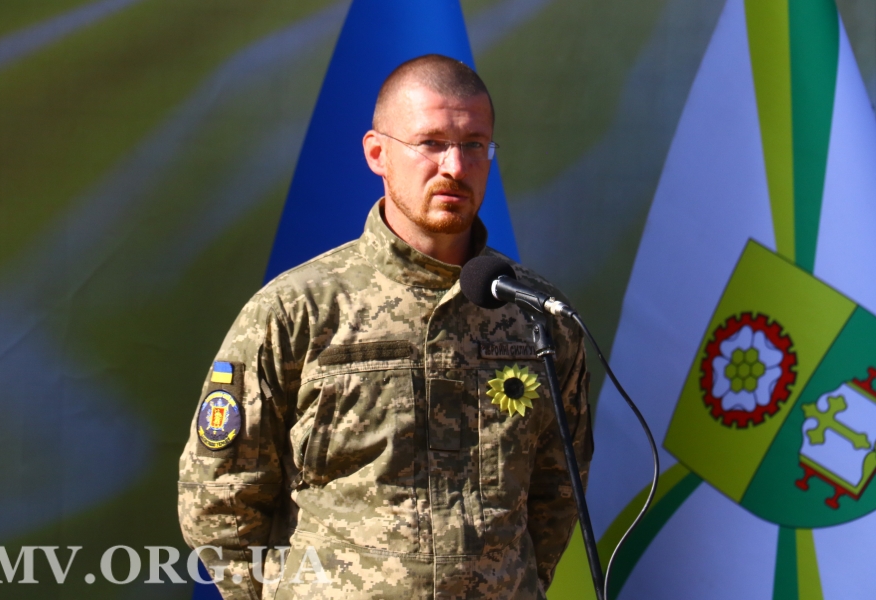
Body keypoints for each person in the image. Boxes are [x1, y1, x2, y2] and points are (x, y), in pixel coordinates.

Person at [178, 54, 593, 600]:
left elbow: (558, 489)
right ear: (378, 153)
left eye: (474, 145)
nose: (454, 166)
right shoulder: (299, 310)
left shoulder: (535, 316)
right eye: (431, 143)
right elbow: (220, 495)